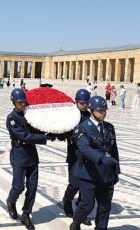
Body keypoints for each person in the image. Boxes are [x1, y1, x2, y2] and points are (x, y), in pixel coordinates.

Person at [6, 89, 56, 230]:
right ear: (14, 102)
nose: (22, 104)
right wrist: (44, 138)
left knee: (33, 187)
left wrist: (50, 130)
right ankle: (11, 200)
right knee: (18, 186)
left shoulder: (30, 115)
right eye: (19, 102)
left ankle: (26, 214)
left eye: (24, 101)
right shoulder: (12, 118)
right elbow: (24, 136)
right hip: (19, 155)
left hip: (32, 156)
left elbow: (37, 129)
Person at [70, 96, 120, 230]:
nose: (103, 113)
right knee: (87, 205)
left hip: (106, 175)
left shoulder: (110, 127)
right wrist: (102, 158)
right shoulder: (82, 128)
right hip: (89, 174)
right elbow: (84, 148)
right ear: (92, 110)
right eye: (99, 111)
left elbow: (114, 150)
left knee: (105, 207)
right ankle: (76, 222)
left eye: (104, 110)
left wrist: (116, 171)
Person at [62, 89, 92, 226]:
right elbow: (62, 134)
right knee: (74, 183)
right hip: (74, 154)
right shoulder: (70, 115)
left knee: (84, 184)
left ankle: (81, 212)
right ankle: (67, 200)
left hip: (88, 155)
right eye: (82, 103)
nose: (85, 105)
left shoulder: (90, 116)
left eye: (86, 103)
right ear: (76, 101)